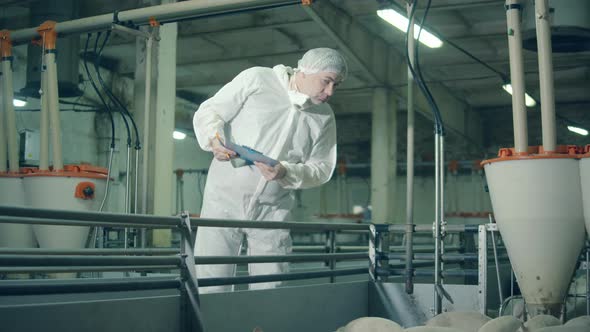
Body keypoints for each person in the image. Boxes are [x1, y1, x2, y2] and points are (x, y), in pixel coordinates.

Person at [192, 48, 348, 293]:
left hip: (272, 210)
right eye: (326, 81)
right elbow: (210, 110)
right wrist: (213, 138)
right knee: (211, 283)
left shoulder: (324, 117)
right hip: (223, 202)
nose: (330, 92)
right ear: (305, 71)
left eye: (335, 85)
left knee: (272, 288)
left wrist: (286, 172)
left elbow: (323, 168)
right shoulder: (258, 79)